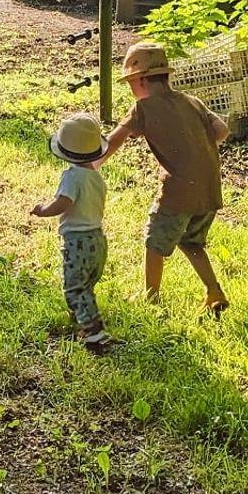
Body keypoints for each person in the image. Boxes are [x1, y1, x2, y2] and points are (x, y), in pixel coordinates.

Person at [100, 42, 230, 318]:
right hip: (209, 188)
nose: (131, 88)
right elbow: (222, 130)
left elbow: (114, 140)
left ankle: (151, 297)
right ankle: (214, 291)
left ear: (142, 80)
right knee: (191, 242)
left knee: (154, 241)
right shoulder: (192, 102)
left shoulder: (143, 108)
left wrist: (92, 164)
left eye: (130, 82)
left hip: (177, 191)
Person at [28, 112, 114, 352]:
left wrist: (43, 210)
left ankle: (94, 332)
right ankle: (81, 317)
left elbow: (63, 203)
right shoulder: (96, 178)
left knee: (74, 287)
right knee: (86, 283)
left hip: (78, 241)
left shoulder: (72, 176)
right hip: (98, 239)